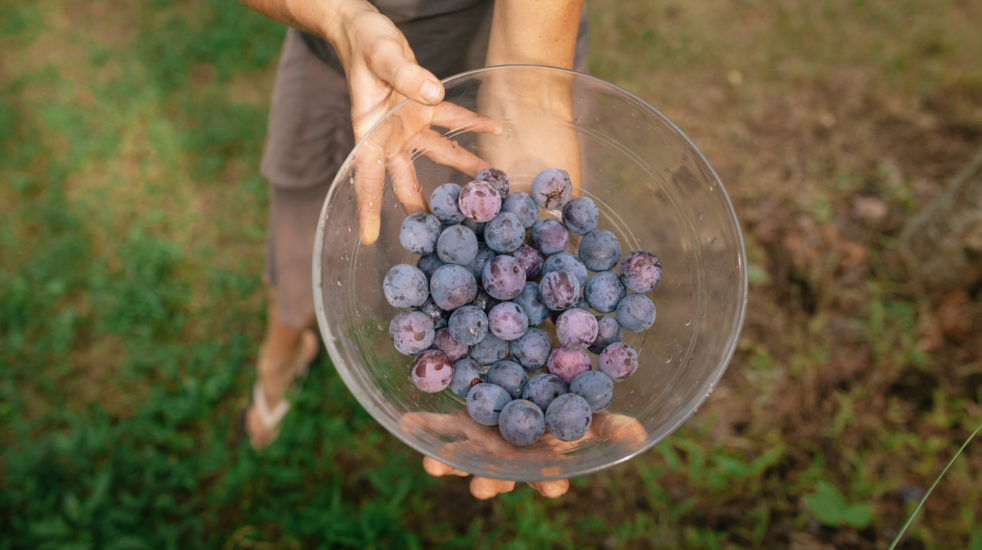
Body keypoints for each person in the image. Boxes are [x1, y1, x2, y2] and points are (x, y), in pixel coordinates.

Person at [239, 0, 589, 499]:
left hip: (496, 53)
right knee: (300, 250)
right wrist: (342, 19)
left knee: (436, 241)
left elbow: (529, 92)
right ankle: (280, 356)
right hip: (333, 53)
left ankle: (282, 357)